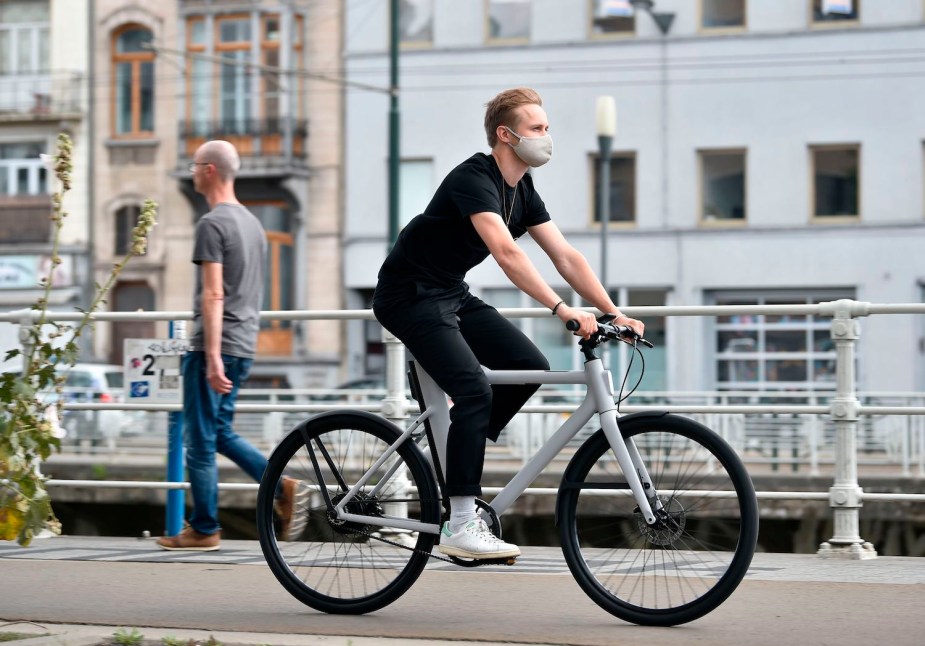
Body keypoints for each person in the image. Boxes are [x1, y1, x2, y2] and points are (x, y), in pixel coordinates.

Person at [372, 88, 644, 560]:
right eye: (538, 128)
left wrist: (611, 310)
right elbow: (507, 252)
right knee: (476, 391)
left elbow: (565, 255)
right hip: (408, 295)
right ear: (506, 134)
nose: (547, 137)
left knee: (528, 365)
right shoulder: (473, 178)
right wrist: (563, 310)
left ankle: (458, 450)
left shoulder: (522, 190)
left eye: (546, 127)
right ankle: (460, 522)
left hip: (449, 292)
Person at [157, 141, 307, 551]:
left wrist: (209, 357)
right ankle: (282, 484)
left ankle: (204, 528)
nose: (191, 172)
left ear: (208, 170)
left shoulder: (211, 223)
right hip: (243, 342)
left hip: (216, 343)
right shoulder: (253, 224)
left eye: (194, 165)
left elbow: (213, 294)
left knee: (200, 440)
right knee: (218, 431)